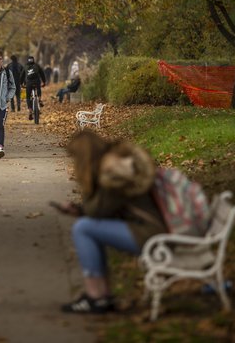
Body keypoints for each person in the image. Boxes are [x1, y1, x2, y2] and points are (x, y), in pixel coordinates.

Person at [52, 131, 166, 314]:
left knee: (83, 228)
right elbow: (105, 209)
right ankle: (101, 294)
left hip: (150, 234)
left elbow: (98, 210)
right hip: (150, 228)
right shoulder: (118, 163)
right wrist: (81, 210)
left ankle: (96, 296)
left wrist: (86, 191)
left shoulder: (114, 173)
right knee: (87, 227)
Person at [19, 56, 46, 120]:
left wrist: (21, 84)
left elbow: (22, 76)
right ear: (33, 60)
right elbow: (42, 74)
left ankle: (30, 110)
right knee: (38, 88)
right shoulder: (37, 65)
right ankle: (39, 99)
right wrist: (44, 82)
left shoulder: (25, 66)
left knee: (28, 97)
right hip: (37, 82)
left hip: (29, 83)